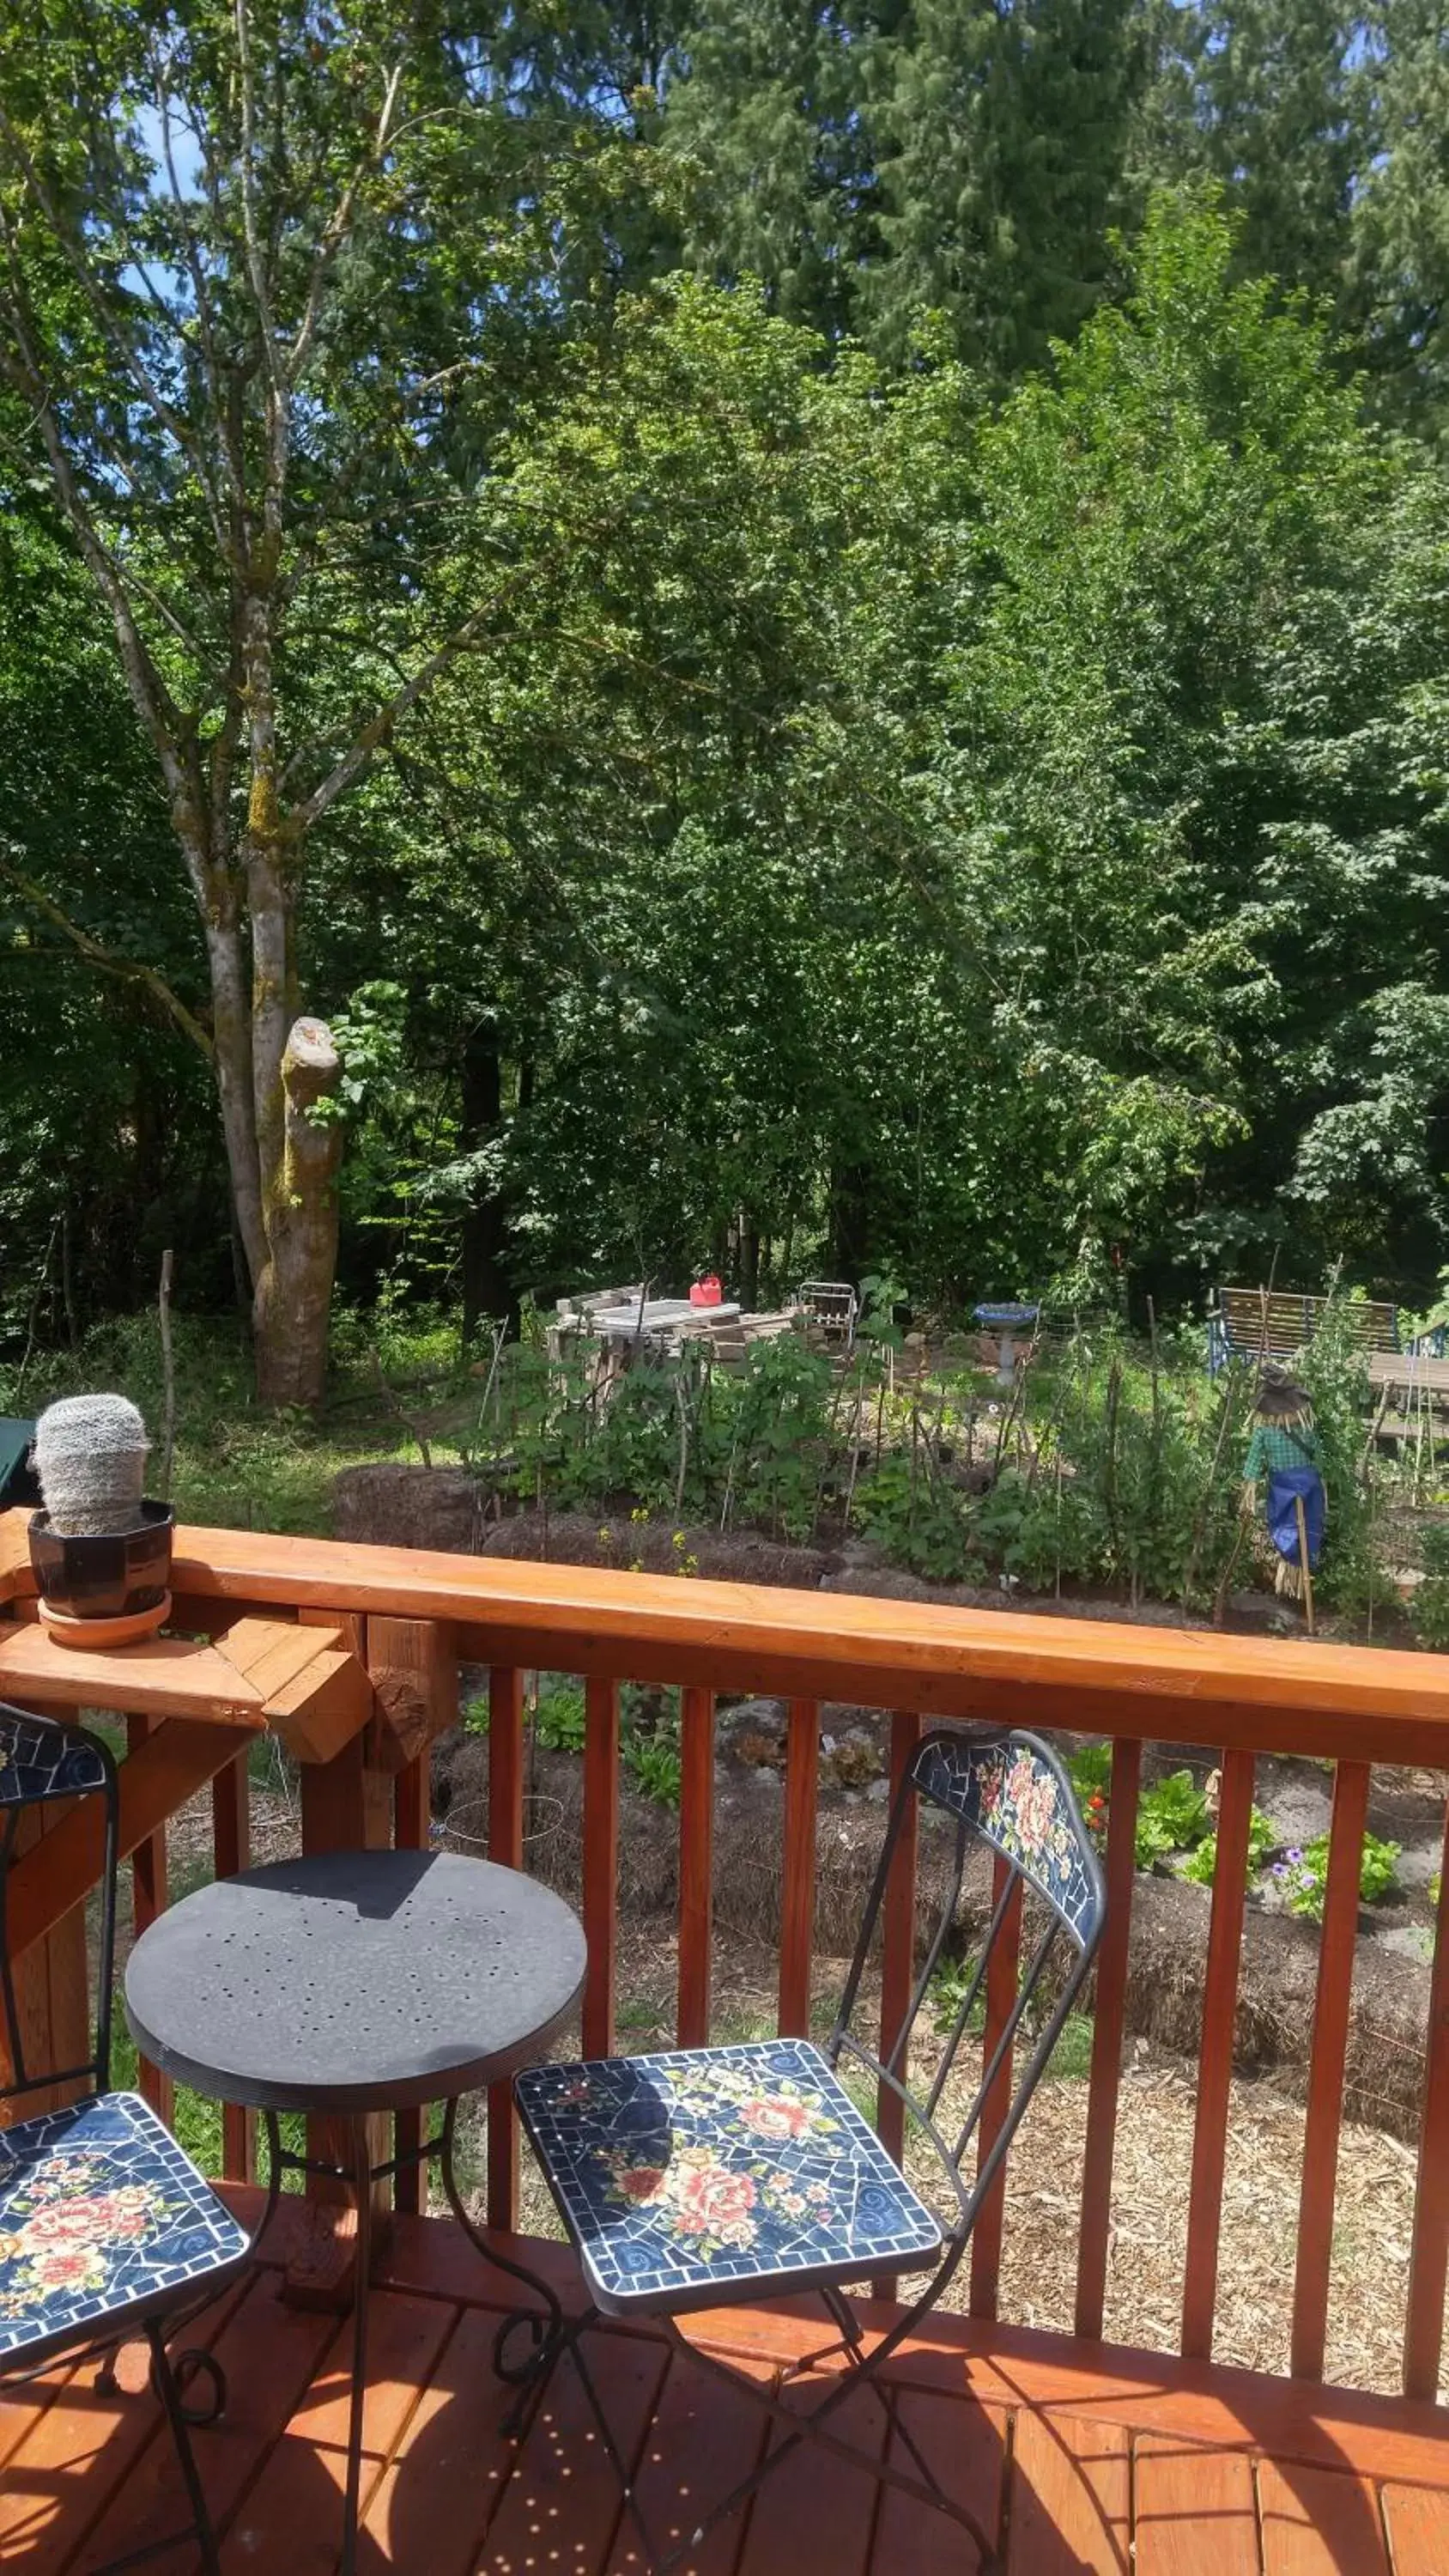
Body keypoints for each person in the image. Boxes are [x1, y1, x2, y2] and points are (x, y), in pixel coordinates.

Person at [1242, 1365, 1325, 1604]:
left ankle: (1293, 1579)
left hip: (1282, 1489)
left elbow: (1253, 1463)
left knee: (1286, 1528)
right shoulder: (1306, 1429)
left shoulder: (1264, 1433)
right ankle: (1301, 1579)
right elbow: (1318, 1458)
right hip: (1310, 1486)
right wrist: (1322, 1480)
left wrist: (1250, 1487)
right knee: (1309, 1527)